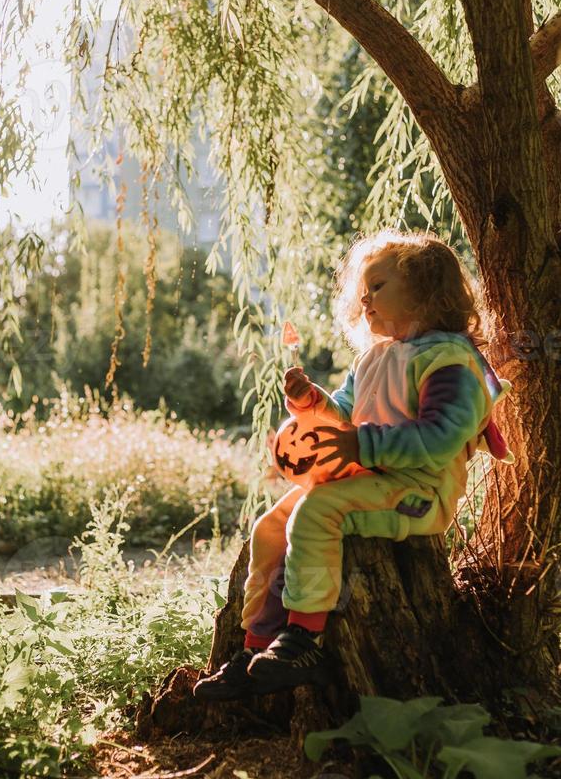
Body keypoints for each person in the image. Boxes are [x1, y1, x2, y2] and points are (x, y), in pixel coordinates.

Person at [193, 230, 514, 702]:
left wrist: (361, 446)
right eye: (361, 292)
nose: (365, 299)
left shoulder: (448, 360)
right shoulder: (374, 359)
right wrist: (313, 403)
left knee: (317, 512)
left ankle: (304, 640)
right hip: (368, 479)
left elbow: (440, 438)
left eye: (378, 286)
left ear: (426, 289)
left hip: (417, 493)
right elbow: (346, 413)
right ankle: (255, 647)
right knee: (269, 527)